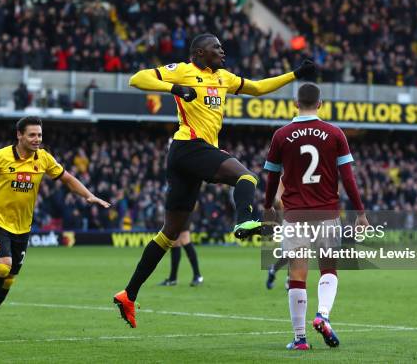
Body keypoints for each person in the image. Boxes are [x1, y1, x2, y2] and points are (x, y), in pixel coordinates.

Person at [113, 32, 315, 328]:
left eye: (221, 47)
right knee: (247, 177)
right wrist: (176, 89)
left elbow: (258, 88)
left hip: (190, 155)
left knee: (170, 233)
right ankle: (244, 220)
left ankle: (128, 294)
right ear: (198, 53)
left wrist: (295, 74)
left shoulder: (224, 77)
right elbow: (137, 79)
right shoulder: (184, 70)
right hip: (188, 146)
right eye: (215, 48)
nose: (222, 51)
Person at [0, 116, 110, 335]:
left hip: (23, 228)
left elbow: (67, 178)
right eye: (32, 135)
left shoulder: (44, 159)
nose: (37, 139)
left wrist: (89, 195)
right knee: (2, 266)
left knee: (9, 279)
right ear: (19, 135)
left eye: (39, 135)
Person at [263, 83, 369, 350]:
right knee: (328, 269)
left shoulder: (281, 135)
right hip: (327, 213)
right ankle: (322, 314)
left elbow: (272, 177)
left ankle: (300, 339)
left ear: (295, 104)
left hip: (295, 215)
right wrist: (360, 213)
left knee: (297, 276)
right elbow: (348, 178)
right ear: (320, 104)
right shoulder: (335, 134)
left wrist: (267, 207)